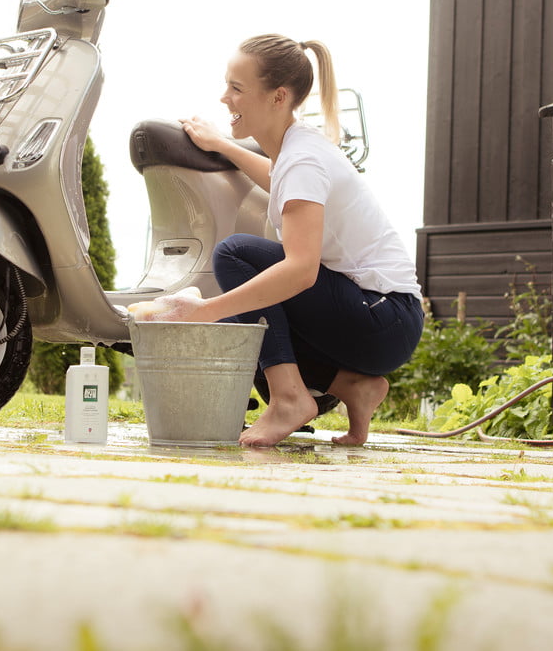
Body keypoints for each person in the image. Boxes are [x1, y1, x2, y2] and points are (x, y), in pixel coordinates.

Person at [139, 33, 424, 447]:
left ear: (278, 97)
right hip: (388, 321)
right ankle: (354, 389)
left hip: (382, 316)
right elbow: (280, 180)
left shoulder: (303, 159)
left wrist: (207, 311)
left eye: (237, 89)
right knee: (258, 327)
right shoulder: (298, 151)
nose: (225, 98)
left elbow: (301, 271)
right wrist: (221, 144)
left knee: (237, 257)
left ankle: (290, 399)